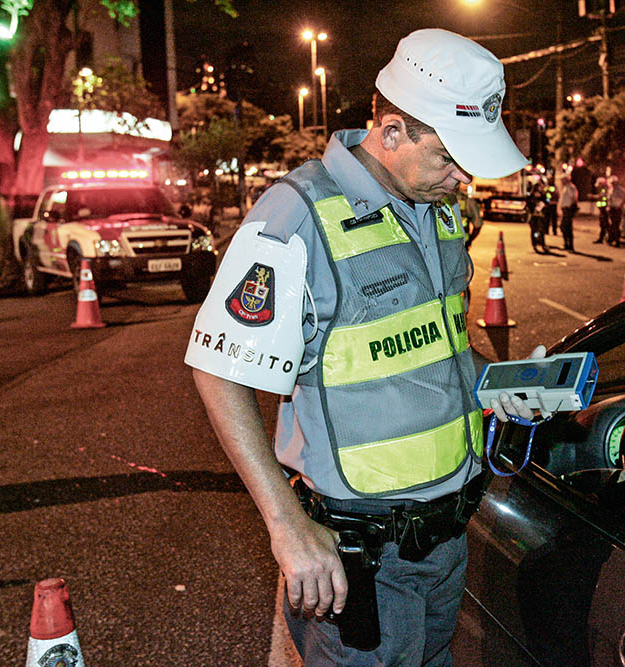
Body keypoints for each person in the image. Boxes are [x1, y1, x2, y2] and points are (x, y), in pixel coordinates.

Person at [187, 28, 533, 665]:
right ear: (393, 128)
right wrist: (288, 527)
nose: (463, 178)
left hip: (446, 537)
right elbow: (219, 371)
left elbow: (437, 345)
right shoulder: (297, 214)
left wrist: (494, 382)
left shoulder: (437, 208)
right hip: (363, 558)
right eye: (450, 157)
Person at [558, 174, 578, 251]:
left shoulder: (570, 187)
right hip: (565, 209)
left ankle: (569, 245)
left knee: (565, 227)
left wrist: (572, 209)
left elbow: (573, 198)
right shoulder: (566, 187)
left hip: (568, 209)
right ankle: (567, 244)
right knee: (565, 227)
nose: (561, 182)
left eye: (562, 180)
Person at [527, 181, 548, 253]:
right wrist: (533, 208)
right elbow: (528, 204)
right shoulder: (531, 196)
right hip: (534, 216)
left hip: (541, 215)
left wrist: (544, 205)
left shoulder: (543, 195)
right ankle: (534, 244)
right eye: (540, 187)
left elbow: (547, 202)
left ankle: (543, 244)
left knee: (541, 231)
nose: (541, 188)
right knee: (534, 230)